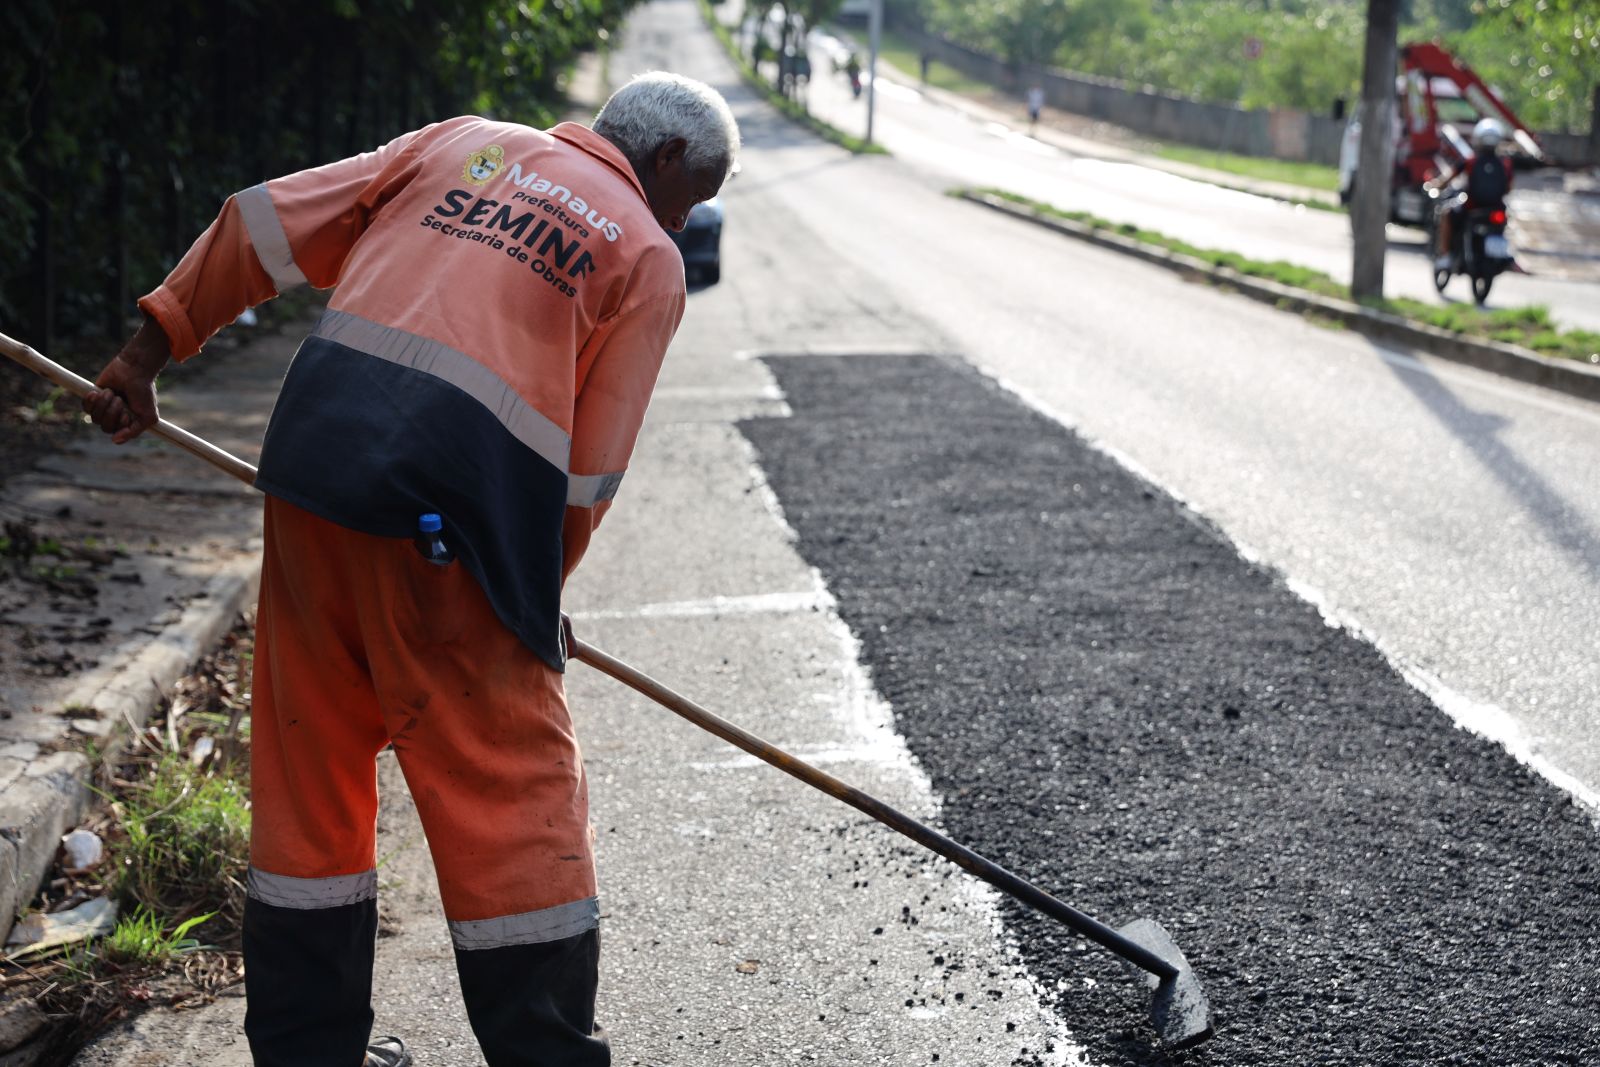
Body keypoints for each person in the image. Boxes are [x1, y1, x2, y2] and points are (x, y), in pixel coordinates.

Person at [82, 72, 739, 1067]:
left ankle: (307, 1055)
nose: (684, 220)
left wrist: (146, 352)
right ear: (662, 166)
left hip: (311, 480)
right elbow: (584, 480)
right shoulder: (644, 255)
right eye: (691, 200)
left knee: (311, 781)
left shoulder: (461, 143)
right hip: (445, 535)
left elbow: (260, 223)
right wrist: (528, 594)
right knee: (511, 796)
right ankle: (547, 1053)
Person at [1428, 116, 1512, 270]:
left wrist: (1435, 185)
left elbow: (1448, 178)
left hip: (1471, 206)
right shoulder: (1505, 164)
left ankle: (1445, 256)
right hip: (1497, 208)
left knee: (1447, 213)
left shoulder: (1471, 161)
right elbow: (1508, 189)